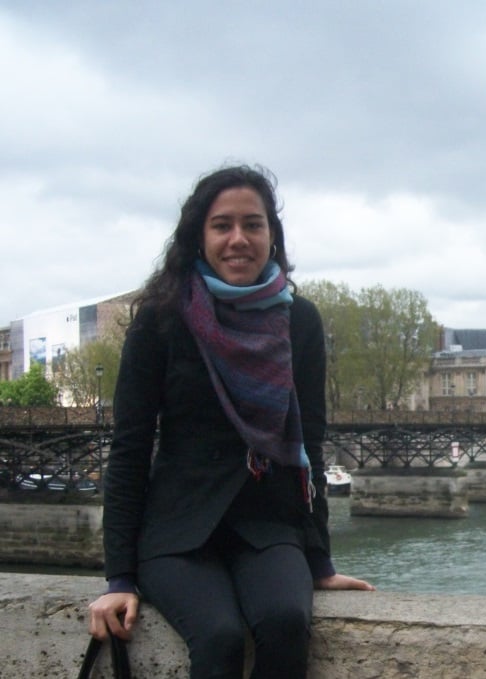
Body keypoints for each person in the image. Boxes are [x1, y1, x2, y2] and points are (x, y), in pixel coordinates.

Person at [88, 165, 374, 678]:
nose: (238, 239)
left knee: (286, 621)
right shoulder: (161, 319)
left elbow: (307, 445)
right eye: (222, 225)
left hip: (268, 523)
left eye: (253, 224)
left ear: (272, 236)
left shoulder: (299, 320)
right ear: (199, 237)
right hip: (176, 529)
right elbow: (130, 449)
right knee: (218, 639)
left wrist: (320, 561)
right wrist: (119, 578)